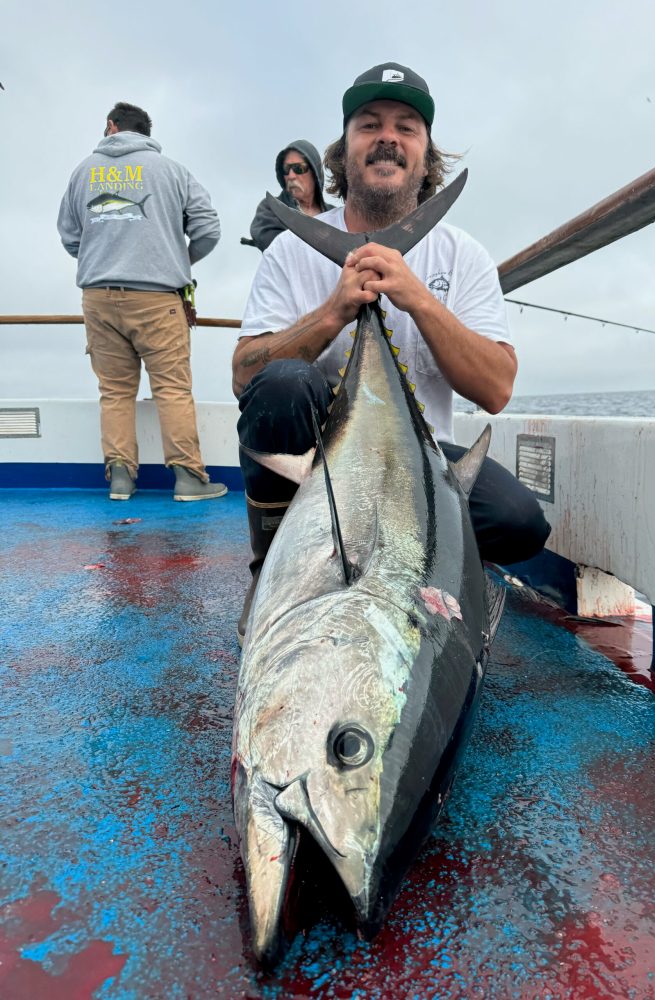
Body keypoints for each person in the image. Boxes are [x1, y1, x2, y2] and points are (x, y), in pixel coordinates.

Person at [232, 63, 551, 640]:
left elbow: (497, 389)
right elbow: (243, 376)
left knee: (520, 522)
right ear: (343, 151)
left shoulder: (463, 256)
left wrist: (417, 299)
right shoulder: (288, 253)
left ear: (427, 157)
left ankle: (419, 563)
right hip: (320, 459)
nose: (388, 137)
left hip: (421, 461)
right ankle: (272, 569)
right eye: (369, 124)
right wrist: (333, 313)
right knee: (281, 385)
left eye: (407, 127)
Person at [57, 101, 227, 502]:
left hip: (97, 298)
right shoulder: (173, 171)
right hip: (158, 299)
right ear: (146, 135)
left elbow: (69, 237)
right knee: (171, 389)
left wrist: (104, 256)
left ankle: (120, 479)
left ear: (111, 127)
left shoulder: (82, 171)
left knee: (114, 392)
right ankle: (188, 479)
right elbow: (209, 229)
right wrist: (177, 261)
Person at [248, 140, 333, 252]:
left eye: (299, 168)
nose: (291, 176)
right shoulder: (270, 208)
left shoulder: (335, 215)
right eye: (286, 169)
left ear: (314, 172)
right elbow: (273, 245)